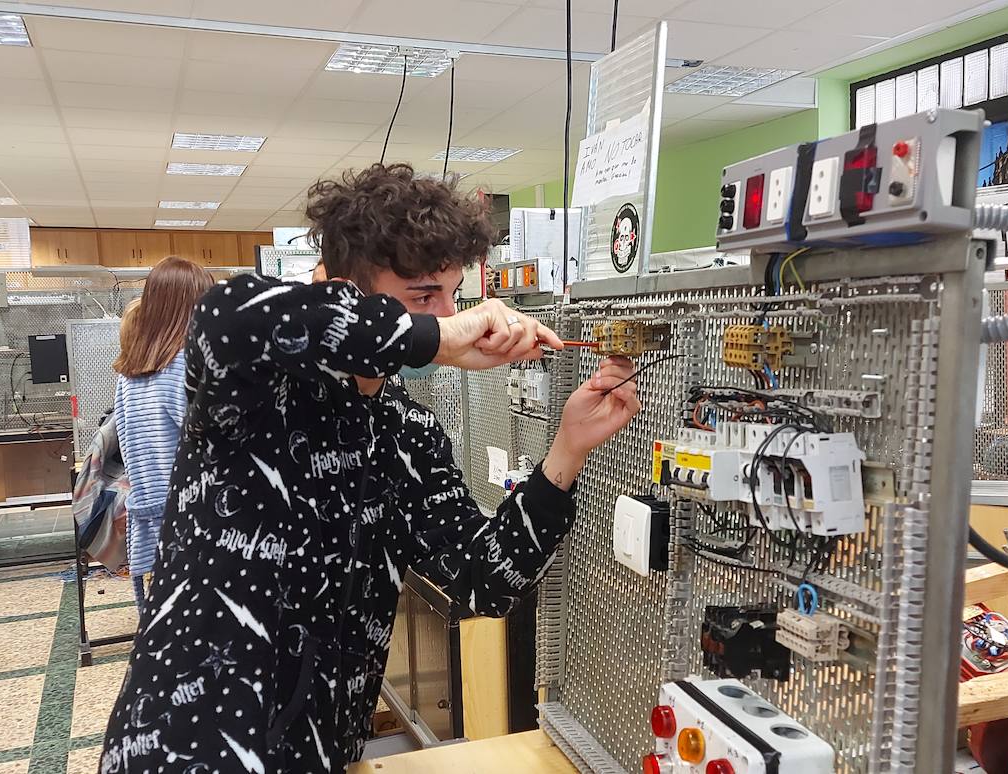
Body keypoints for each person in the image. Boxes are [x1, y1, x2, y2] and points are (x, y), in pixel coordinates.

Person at [98, 164, 640, 774]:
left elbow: (482, 579)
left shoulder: (406, 433)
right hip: (191, 740)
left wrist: (567, 450)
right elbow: (228, 313)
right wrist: (431, 334)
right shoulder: (256, 385)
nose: (449, 315)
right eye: (423, 295)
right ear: (338, 289)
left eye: (452, 294)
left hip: (323, 750)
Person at [110, 256, 214, 622]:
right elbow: (213, 450)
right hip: (192, 529)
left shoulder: (132, 371)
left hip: (152, 530)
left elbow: (124, 444)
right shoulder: (184, 368)